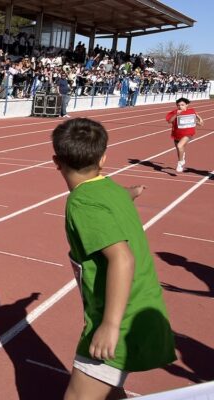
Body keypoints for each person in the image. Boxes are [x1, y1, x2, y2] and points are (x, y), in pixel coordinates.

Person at [51, 118, 176, 400]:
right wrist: (131, 193)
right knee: (110, 393)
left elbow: (123, 259)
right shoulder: (109, 189)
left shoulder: (82, 203)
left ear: (56, 161)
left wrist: (109, 325)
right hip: (142, 308)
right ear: (104, 158)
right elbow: (116, 196)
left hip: (121, 319)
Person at [165, 97, 203, 173]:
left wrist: (200, 120)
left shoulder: (191, 112)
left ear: (187, 105)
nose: (180, 106)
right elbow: (169, 121)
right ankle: (181, 158)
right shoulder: (174, 112)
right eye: (178, 105)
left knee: (179, 146)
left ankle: (180, 163)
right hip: (177, 134)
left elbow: (199, 122)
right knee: (179, 150)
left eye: (182, 105)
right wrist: (176, 114)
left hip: (188, 133)